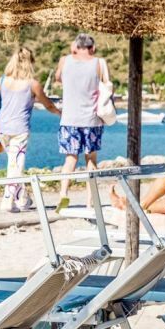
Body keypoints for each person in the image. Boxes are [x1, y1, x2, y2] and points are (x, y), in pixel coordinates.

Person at [0, 46, 60, 212]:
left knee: (13, 165)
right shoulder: (33, 84)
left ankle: (23, 199)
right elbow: (48, 104)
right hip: (20, 130)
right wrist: (60, 113)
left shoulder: (3, 80)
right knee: (16, 166)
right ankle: (7, 200)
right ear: (30, 63)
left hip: (2, 129)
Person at [53, 33, 113, 212]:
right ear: (92, 48)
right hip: (92, 120)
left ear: (75, 46)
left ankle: (63, 194)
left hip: (69, 119)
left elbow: (58, 78)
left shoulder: (64, 61)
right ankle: (90, 200)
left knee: (70, 159)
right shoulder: (99, 63)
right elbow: (108, 85)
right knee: (91, 160)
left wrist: (71, 52)